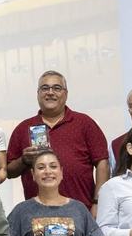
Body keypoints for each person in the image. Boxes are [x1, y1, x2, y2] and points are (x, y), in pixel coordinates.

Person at [6, 71, 109, 210]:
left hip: (80, 210)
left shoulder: (85, 123)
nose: (50, 92)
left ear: (66, 93)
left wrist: (98, 203)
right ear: (38, 94)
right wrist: (24, 160)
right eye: (45, 88)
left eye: (56, 88)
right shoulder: (23, 128)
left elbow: (102, 163)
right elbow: (9, 171)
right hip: (36, 213)